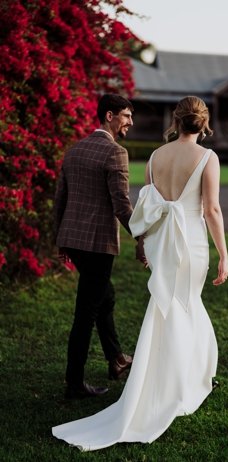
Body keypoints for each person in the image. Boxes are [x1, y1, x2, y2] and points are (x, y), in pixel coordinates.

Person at [53, 96, 228, 450]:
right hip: (190, 244)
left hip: (163, 245)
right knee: (185, 304)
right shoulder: (208, 158)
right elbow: (210, 208)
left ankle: (146, 370)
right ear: (204, 123)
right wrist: (224, 255)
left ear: (176, 120)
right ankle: (181, 383)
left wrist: (143, 241)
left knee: (164, 305)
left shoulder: (153, 157)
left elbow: (147, 207)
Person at [53, 94, 143, 399]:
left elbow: (60, 201)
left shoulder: (74, 150)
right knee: (86, 313)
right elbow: (122, 205)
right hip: (97, 245)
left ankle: (116, 359)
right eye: (127, 116)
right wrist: (141, 236)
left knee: (105, 296)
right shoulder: (115, 153)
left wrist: (59, 240)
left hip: (74, 241)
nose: (131, 122)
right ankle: (74, 384)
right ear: (109, 116)